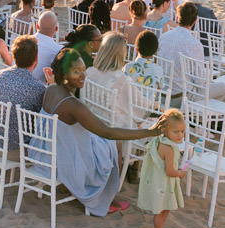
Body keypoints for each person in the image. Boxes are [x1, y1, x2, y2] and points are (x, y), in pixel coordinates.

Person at [38, 48, 168, 217]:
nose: (83, 75)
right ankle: (107, 199)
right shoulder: (73, 105)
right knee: (115, 144)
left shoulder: (51, 89)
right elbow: (108, 133)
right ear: (64, 74)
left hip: (47, 151)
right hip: (67, 160)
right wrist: (149, 132)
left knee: (104, 141)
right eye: (76, 71)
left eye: (84, 70)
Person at [0, 35, 47, 154]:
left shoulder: (0, 75)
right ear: (36, 59)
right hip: (16, 151)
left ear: (13, 56)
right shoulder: (37, 87)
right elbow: (44, 120)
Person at [136, 108, 188, 228]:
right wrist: (180, 173)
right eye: (176, 132)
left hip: (157, 181)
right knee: (162, 209)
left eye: (182, 132)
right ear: (165, 130)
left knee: (164, 208)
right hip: (163, 184)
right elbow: (170, 171)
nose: (180, 135)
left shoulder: (159, 141)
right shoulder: (169, 149)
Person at [157, 3, 205, 103]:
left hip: (162, 92)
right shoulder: (195, 44)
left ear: (177, 17)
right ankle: (200, 116)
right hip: (182, 98)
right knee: (222, 88)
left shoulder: (163, 37)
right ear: (195, 20)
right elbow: (199, 82)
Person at [33, 10, 62, 83]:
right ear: (56, 29)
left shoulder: (21, 41)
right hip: (39, 89)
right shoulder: (58, 50)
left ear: (37, 26)